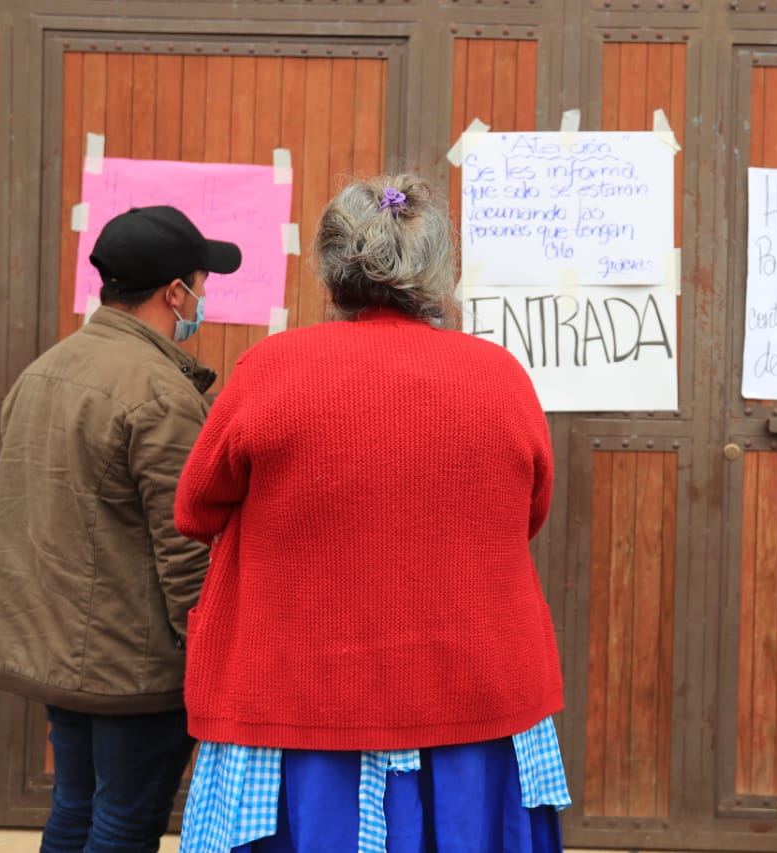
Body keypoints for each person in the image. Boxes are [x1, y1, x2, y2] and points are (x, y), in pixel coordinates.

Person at [174, 175, 569, 853]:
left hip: (300, 701)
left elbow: (194, 509)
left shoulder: (271, 367)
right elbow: (527, 514)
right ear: (438, 271)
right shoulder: (500, 374)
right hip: (475, 698)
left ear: (331, 271)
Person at [0, 205, 242, 853]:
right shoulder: (158, 392)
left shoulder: (46, 368)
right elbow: (187, 547)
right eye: (202, 283)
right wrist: (212, 656)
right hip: (131, 668)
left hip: (60, 650)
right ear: (174, 293)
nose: (204, 297)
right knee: (124, 823)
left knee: (74, 806)